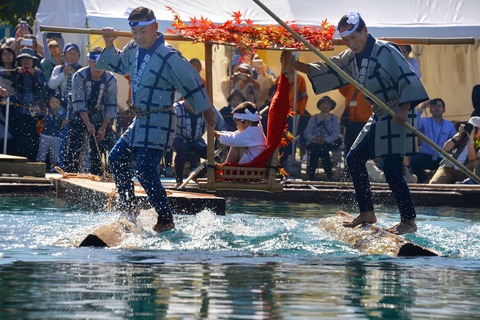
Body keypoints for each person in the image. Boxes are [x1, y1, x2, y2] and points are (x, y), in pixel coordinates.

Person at [282, 12, 429, 234]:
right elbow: (330, 69)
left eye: (354, 37)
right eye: (347, 40)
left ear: (365, 31)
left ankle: (408, 221)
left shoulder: (385, 49)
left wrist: (404, 108)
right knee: (354, 158)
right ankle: (367, 212)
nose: (351, 43)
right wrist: (295, 65)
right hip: (379, 113)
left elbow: (407, 77)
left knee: (391, 169)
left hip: (397, 109)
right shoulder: (351, 56)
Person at [97, 6, 215, 233]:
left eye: (143, 31)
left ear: (154, 28)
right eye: (134, 32)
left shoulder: (169, 55)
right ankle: (129, 206)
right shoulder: (134, 48)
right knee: (116, 157)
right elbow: (119, 64)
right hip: (140, 119)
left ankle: (165, 218)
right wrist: (110, 43)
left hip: (160, 117)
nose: (139, 37)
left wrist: (206, 109)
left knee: (145, 169)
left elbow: (190, 80)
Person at [69, 47, 118, 176]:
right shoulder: (79, 75)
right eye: (94, 62)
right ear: (89, 62)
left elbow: (111, 105)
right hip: (79, 113)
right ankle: (71, 171)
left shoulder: (111, 79)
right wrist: (87, 123)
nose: (97, 66)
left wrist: (103, 126)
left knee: (99, 143)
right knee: (75, 142)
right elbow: (78, 101)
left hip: (99, 113)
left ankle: (97, 172)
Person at [171, 100, 225, 187]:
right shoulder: (176, 108)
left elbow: (220, 123)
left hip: (197, 140)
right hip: (178, 137)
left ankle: (196, 175)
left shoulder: (207, 108)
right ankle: (178, 180)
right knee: (182, 150)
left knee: (215, 158)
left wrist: (222, 138)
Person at [10, 48, 47, 161]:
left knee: (33, 137)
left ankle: (31, 160)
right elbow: (11, 87)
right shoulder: (15, 72)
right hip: (18, 112)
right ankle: (17, 161)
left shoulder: (38, 72)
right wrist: (17, 75)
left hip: (34, 113)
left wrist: (34, 75)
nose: (26, 61)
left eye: (28, 58)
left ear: (33, 61)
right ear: (20, 61)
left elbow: (43, 88)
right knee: (18, 137)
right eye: (23, 59)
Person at [409, 98, 456, 183]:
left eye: (439, 106)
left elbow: (454, 143)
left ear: (444, 109)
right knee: (412, 160)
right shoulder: (424, 121)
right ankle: (423, 179)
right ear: (430, 109)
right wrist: (421, 108)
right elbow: (412, 123)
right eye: (434, 106)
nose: (437, 108)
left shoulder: (450, 125)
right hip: (426, 155)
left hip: (441, 157)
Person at [429, 116, 480, 184]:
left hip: (466, 171)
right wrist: (458, 135)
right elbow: (446, 148)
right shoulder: (462, 135)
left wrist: (471, 139)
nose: (473, 130)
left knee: (476, 163)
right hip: (450, 167)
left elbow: (472, 158)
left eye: (476, 128)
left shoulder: (478, 142)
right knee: (434, 184)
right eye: (471, 127)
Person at [304, 96, 341, 181]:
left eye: (328, 104)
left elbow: (335, 134)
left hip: (328, 143)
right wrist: (315, 139)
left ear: (331, 106)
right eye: (323, 103)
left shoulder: (334, 118)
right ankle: (329, 175)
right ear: (319, 106)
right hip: (314, 142)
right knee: (317, 148)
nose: (325, 105)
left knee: (321, 149)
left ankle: (311, 174)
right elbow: (307, 132)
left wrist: (325, 140)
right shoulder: (314, 118)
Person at [36, 90, 67, 171]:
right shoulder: (45, 110)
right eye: (52, 101)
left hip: (56, 136)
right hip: (45, 135)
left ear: (60, 103)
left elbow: (63, 122)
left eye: (57, 102)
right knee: (42, 153)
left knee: (55, 155)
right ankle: (39, 167)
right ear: (49, 102)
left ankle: (54, 169)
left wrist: (62, 121)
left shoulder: (62, 111)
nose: (54, 104)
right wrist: (58, 119)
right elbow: (48, 120)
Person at [339, 84, 372, 153]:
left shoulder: (369, 82)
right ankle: (350, 162)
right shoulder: (349, 83)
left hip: (365, 121)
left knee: (364, 145)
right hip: (350, 121)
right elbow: (340, 87)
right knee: (350, 145)